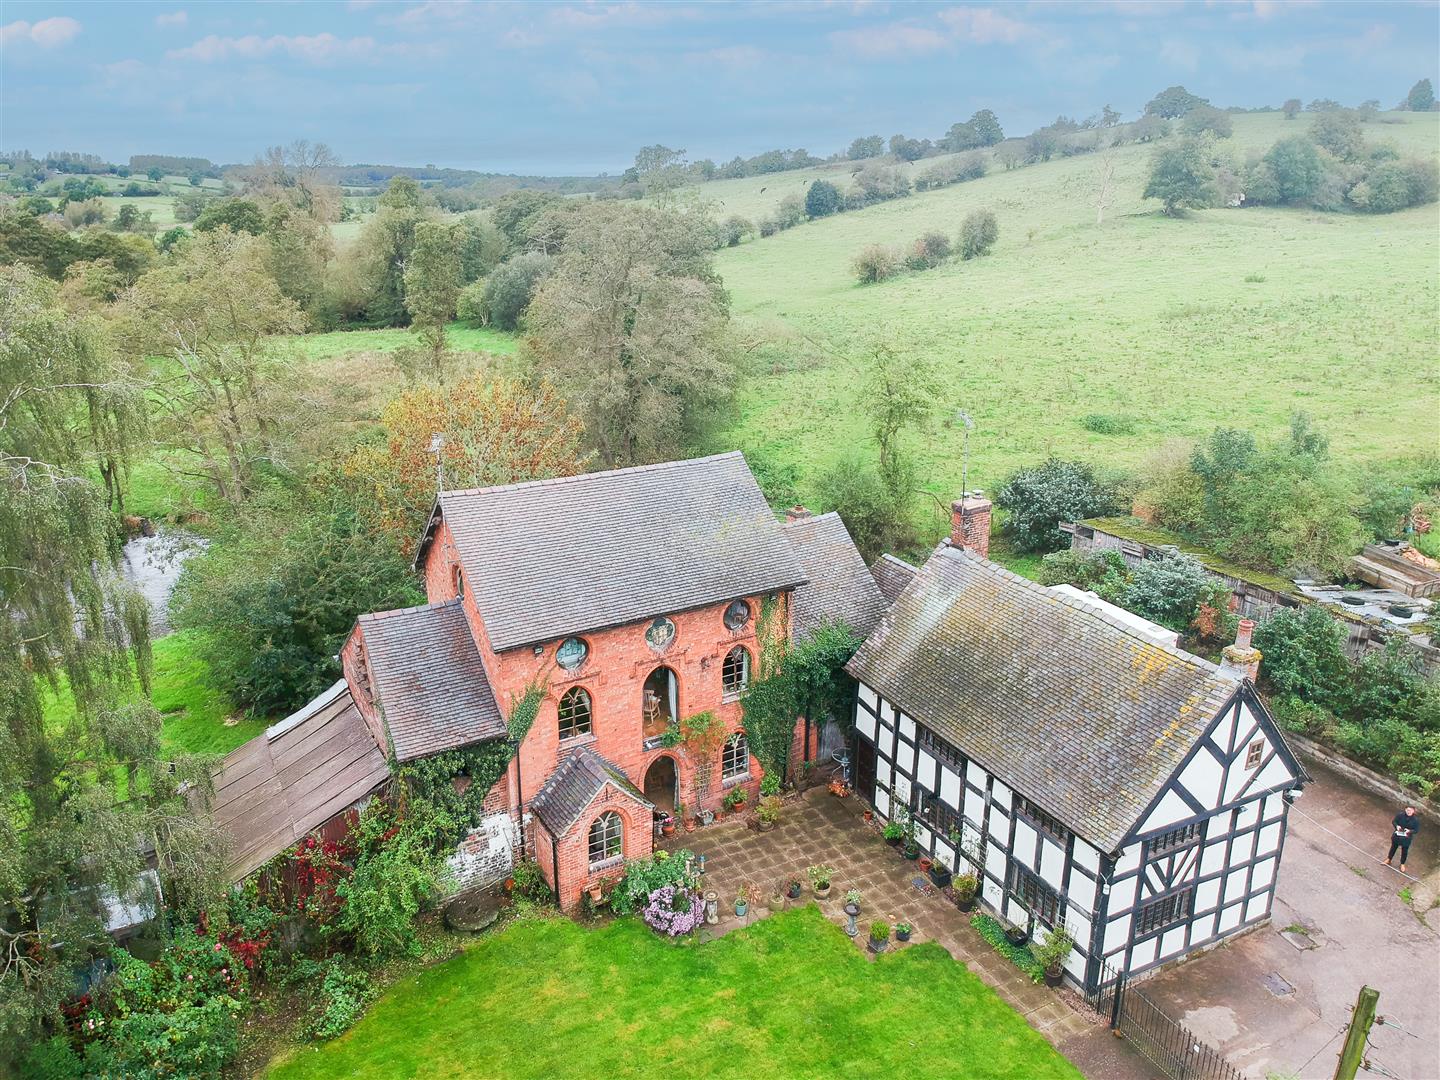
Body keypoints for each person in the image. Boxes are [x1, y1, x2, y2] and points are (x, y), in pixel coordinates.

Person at [1385, 805, 1420, 873]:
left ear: (1413, 811)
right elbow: (1394, 821)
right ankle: (1389, 859)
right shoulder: (1400, 815)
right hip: (1397, 835)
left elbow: (1416, 830)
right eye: (1407, 810)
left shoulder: (1416, 820)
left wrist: (1409, 831)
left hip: (1406, 838)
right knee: (1393, 848)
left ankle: (1402, 864)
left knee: (1404, 851)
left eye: (1410, 810)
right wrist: (1397, 826)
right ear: (1405, 810)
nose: (1408, 812)